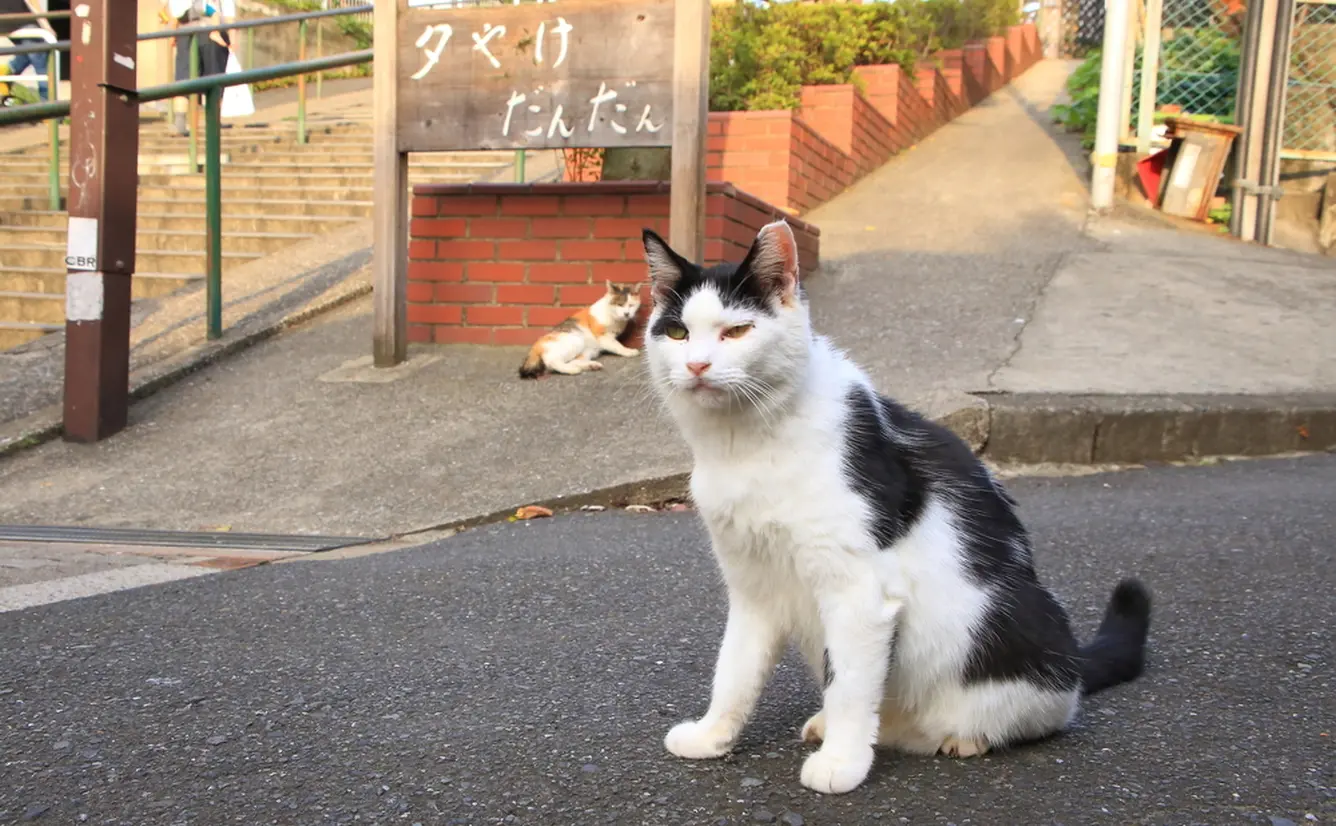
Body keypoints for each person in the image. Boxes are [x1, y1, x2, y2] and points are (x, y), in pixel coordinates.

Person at [162, 0, 236, 134]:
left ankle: (180, 122)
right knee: (213, 77)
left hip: (187, 31)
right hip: (211, 31)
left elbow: (173, 12)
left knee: (185, 76)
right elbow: (228, 15)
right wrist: (230, 38)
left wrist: (172, 33)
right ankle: (212, 121)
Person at [1, 0, 57, 102]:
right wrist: (46, 25)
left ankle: (6, 73)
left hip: (7, 19)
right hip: (20, 19)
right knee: (42, 65)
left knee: (29, 53)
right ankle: (48, 107)